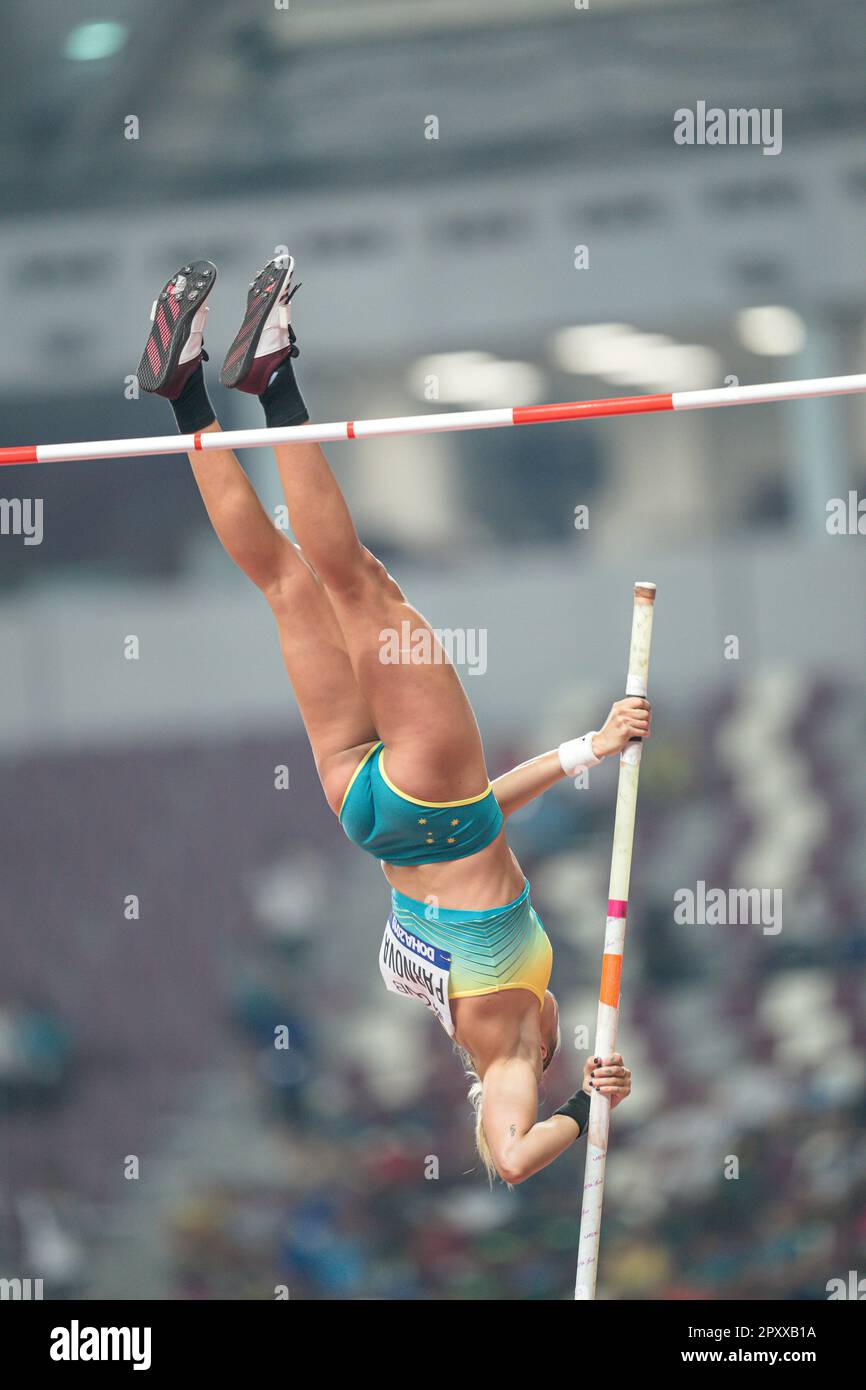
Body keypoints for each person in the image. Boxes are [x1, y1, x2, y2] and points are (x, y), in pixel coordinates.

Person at [137, 252, 648, 1183]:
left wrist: (587, 1103)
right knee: (287, 584)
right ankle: (184, 399)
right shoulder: (474, 996)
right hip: (370, 810)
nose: (562, 1025)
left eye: (558, 1037)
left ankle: (271, 378)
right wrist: (591, 748)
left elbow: (512, 1161)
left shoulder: (504, 1057)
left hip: (429, 801)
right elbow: (491, 811)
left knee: (353, 581)